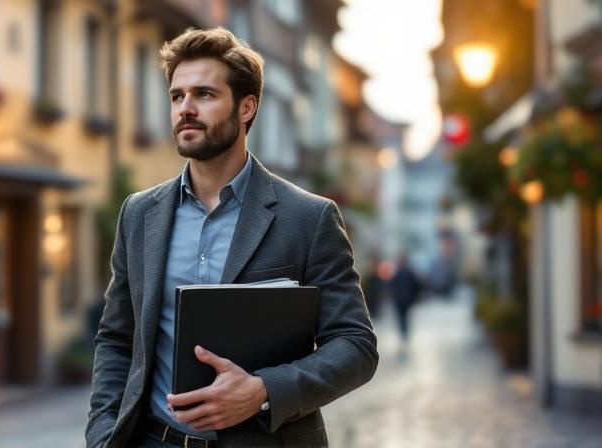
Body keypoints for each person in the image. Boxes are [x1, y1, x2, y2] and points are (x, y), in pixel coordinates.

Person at [86, 27, 378, 447]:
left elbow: (356, 345)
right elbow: (116, 338)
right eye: (177, 96)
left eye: (204, 94)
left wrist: (263, 391)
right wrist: (101, 435)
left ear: (246, 107)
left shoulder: (308, 218)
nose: (186, 108)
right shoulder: (139, 213)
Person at [389, 255, 422, 342]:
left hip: (400, 299)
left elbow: (392, 287)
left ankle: (403, 331)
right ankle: (404, 332)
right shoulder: (409, 274)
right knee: (405, 316)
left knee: (402, 316)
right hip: (406, 299)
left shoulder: (397, 274)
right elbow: (417, 286)